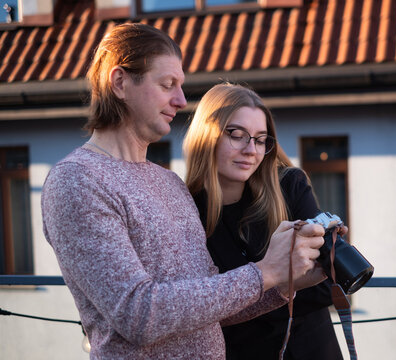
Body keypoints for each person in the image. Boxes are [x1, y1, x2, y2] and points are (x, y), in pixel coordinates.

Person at [40, 23, 327, 359]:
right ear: (120, 82)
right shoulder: (78, 181)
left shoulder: (169, 183)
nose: (180, 100)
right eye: (167, 85)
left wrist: (283, 285)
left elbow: (208, 310)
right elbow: (138, 314)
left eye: (180, 86)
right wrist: (264, 272)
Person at [183, 83, 344, 360]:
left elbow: (329, 284)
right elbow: (199, 311)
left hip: (312, 350)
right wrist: (284, 285)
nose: (251, 150)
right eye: (236, 135)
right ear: (206, 136)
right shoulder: (185, 210)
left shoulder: (289, 187)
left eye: (260, 139)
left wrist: (243, 301)